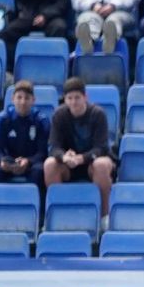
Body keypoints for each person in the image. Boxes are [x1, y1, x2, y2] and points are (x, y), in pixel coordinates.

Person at [45, 77, 115, 211]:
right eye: (69, 98)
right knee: (49, 164)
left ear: (85, 97)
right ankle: (58, 212)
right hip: (69, 164)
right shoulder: (59, 115)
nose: (73, 102)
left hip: (91, 162)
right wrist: (64, 157)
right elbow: (54, 146)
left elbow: (101, 148)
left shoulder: (98, 114)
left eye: (77, 97)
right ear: (65, 99)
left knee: (101, 164)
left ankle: (104, 215)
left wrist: (82, 158)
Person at [0, 79, 49, 188]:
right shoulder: (3, 119)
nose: (23, 102)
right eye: (19, 97)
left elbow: (42, 152)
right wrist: (3, 160)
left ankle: (33, 203)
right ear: (12, 99)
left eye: (27, 98)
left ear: (33, 100)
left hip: (31, 163)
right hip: (8, 162)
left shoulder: (40, 121)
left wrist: (28, 161)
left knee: (39, 171)